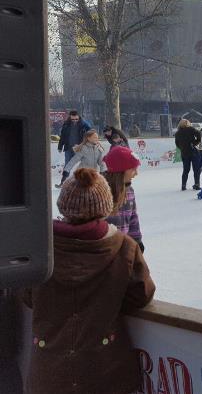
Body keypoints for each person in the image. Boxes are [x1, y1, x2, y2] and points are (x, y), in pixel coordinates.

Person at [22, 168, 155, 394]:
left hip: (49, 374)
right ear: (105, 206)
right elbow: (141, 295)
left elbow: (27, 295)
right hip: (106, 372)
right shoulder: (124, 246)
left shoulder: (39, 247)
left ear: (64, 205)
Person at [102, 146, 144, 252]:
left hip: (123, 245)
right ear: (120, 170)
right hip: (103, 248)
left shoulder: (129, 190)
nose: (136, 173)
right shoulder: (100, 192)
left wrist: (137, 240)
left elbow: (133, 217)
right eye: (133, 169)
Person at [57, 110, 91, 176]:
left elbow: (91, 133)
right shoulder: (66, 124)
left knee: (83, 164)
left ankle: (84, 178)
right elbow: (63, 136)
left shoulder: (83, 124)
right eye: (73, 119)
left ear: (79, 117)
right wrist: (60, 147)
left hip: (79, 148)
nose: (74, 121)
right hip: (68, 148)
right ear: (70, 117)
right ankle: (64, 179)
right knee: (67, 165)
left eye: (76, 119)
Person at [174, 119, 202, 191]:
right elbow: (199, 134)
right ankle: (197, 184)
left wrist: (182, 147)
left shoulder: (177, 133)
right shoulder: (191, 129)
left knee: (186, 170)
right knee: (196, 169)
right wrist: (196, 142)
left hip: (184, 152)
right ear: (188, 123)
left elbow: (177, 144)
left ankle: (183, 185)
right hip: (193, 151)